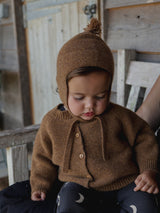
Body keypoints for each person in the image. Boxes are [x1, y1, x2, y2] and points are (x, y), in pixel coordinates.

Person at [30, 18, 159, 212]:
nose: (90, 105)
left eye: (101, 95)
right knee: (66, 202)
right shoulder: (52, 123)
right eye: (79, 97)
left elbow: (144, 138)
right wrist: (40, 184)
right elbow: (42, 157)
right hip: (78, 185)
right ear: (63, 90)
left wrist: (149, 170)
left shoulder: (120, 117)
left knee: (145, 204)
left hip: (125, 182)